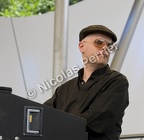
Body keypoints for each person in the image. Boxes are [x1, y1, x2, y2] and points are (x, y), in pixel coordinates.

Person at [43, 25, 129, 140]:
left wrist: (57, 125)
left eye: (109, 46)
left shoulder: (117, 82)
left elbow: (95, 123)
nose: (105, 48)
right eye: (99, 43)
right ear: (81, 46)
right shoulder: (64, 89)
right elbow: (43, 116)